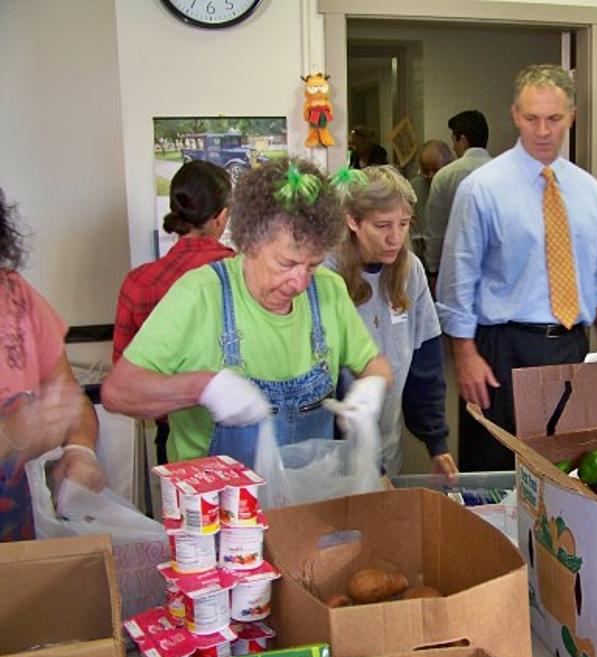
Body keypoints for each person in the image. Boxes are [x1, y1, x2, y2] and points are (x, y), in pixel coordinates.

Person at [102, 158, 393, 469]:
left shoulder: (329, 290)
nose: (301, 282)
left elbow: (375, 365)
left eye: (313, 264)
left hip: (308, 499)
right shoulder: (199, 295)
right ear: (248, 242)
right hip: (219, 510)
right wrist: (202, 387)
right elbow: (118, 392)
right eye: (287, 264)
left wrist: (372, 387)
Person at [436, 65, 597, 471]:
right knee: (494, 474)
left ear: (571, 115)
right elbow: (456, 282)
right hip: (501, 350)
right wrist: (465, 357)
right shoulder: (482, 188)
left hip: (572, 347)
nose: (542, 130)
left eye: (554, 119)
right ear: (515, 115)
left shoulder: (589, 191)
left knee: (565, 473)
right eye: (532, 118)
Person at [329, 165, 457, 480]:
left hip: (386, 449)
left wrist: (436, 442)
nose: (395, 238)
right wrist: (370, 464)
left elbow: (424, 366)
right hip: (336, 457)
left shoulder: (409, 271)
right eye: (382, 225)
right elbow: (330, 386)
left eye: (403, 224)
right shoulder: (326, 276)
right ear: (352, 221)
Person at [0, 189, 106, 541]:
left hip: (22, 541)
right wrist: (9, 436)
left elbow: (69, 395)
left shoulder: (16, 295)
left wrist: (79, 451)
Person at [112, 160, 235, 463]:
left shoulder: (140, 282)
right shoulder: (240, 275)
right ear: (221, 217)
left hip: (171, 435)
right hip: (236, 430)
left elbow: (124, 371)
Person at [424, 110, 493, 285]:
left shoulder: (445, 176)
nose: (454, 147)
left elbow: (435, 232)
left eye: (454, 140)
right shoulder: (505, 173)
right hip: (494, 269)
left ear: (462, 139)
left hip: (455, 270)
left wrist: (432, 271)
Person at [409, 140, 454, 264]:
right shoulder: (413, 187)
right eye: (425, 170)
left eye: (435, 170)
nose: (430, 176)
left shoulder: (456, 187)